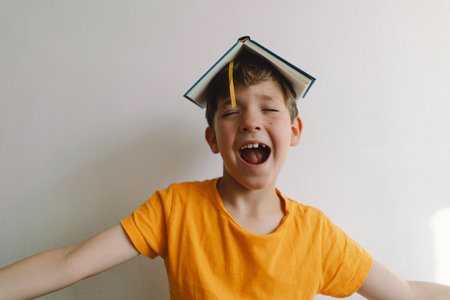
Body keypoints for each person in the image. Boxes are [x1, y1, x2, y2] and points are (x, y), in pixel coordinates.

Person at [0, 37, 449, 300]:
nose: (251, 119)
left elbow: (403, 294)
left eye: (268, 109)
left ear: (293, 130)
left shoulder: (317, 234)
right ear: (214, 139)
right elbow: (70, 261)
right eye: (232, 113)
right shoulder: (174, 208)